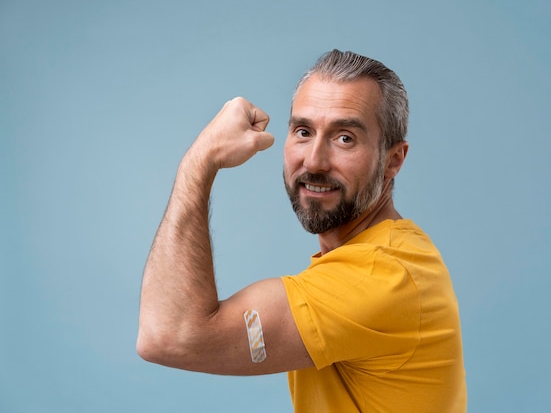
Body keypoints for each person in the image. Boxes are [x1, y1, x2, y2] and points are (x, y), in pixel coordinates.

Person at [137, 49, 467, 412]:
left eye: (345, 138)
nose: (314, 161)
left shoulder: (379, 275)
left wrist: (200, 161)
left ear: (393, 160)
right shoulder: (391, 252)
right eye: (304, 131)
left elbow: (168, 335)